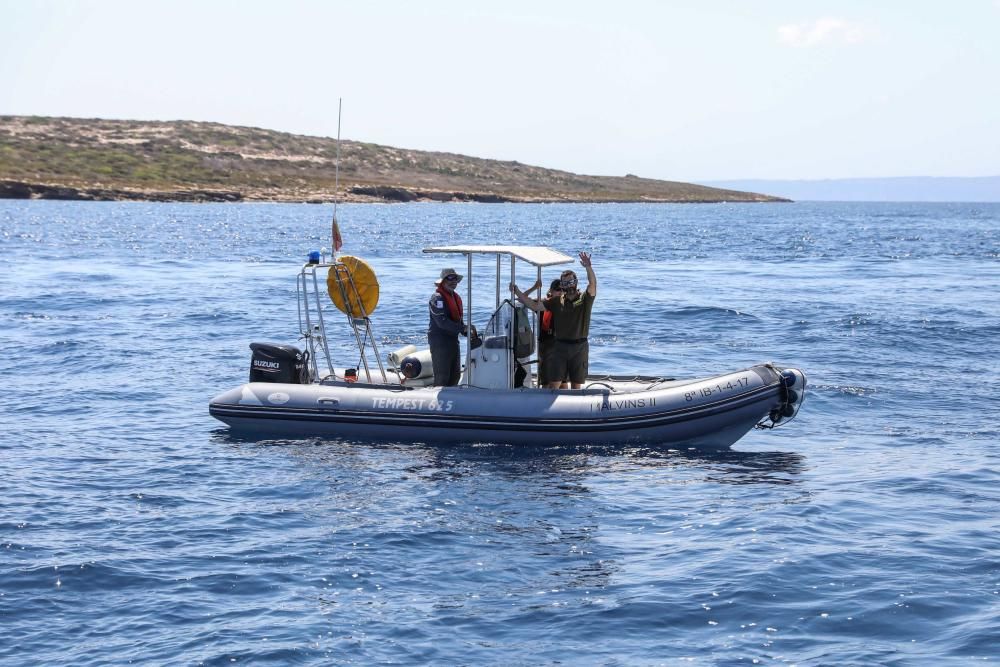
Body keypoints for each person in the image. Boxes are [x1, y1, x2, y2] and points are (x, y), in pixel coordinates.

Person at [512, 252, 597, 389]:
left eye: (571, 282)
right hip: (560, 347)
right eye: (565, 283)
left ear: (575, 283)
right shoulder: (556, 301)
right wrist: (517, 291)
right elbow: (534, 305)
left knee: (576, 385)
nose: (568, 286)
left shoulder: (584, 300)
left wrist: (588, 267)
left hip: (579, 347)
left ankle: (575, 407)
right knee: (554, 383)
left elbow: (592, 284)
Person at [427, 267, 469, 386]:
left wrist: (467, 330)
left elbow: (458, 321)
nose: (453, 281)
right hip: (440, 341)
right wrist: (462, 329)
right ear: (443, 281)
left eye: (455, 278)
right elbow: (441, 322)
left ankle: (453, 401)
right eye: (449, 278)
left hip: (453, 340)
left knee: (455, 376)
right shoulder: (437, 298)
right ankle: (436, 402)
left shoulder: (455, 297)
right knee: (442, 377)